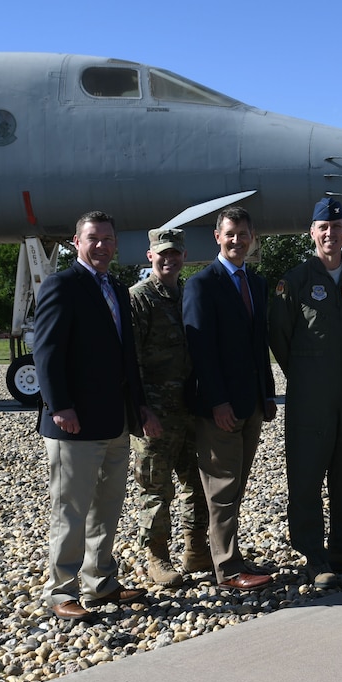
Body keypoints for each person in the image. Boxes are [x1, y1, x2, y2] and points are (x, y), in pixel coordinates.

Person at [34, 210, 162, 621]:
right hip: (73, 424)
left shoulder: (118, 291)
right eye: (94, 239)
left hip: (115, 421)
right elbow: (47, 352)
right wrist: (60, 406)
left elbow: (128, 359)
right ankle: (61, 591)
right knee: (71, 510)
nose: (103, 246)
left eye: (109, 239)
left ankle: (100, 583)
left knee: (106, 508)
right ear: (77, 242)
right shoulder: (62, 286)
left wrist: (140, 407)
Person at [268, 198, 342, 589]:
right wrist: (306, 374)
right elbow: (278, 336)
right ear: (312, 232)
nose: (330, 233)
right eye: (323, 227)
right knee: (307, 474)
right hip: (309, 396)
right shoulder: (294, 281)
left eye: (337, 226)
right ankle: (314, 555)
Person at [183, 207, 277, 591]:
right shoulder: (201, 284)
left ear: (252, 237)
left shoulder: (256, 283)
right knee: (221, 488)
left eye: (243, 233)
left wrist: (268, 394)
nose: (237, 240)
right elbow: (200, 349)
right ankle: (227, 568)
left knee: (236, 485)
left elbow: (259, 346)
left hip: (252, 402)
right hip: (220, 407)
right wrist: (218, 401)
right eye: (230, 234)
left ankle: (228, 553)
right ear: (216, 237)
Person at [129, 228, 212, 587]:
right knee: (156, 487)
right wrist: (140, 409)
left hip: (190, 408)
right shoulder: (140, 298)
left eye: (175, 253)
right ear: (150, 256)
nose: (169, 259)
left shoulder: (189, 294)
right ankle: (156, 556)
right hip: (155, 415)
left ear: (184, 256)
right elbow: (129, 361)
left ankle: (195, 549)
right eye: (162, 253)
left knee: (197, 482)